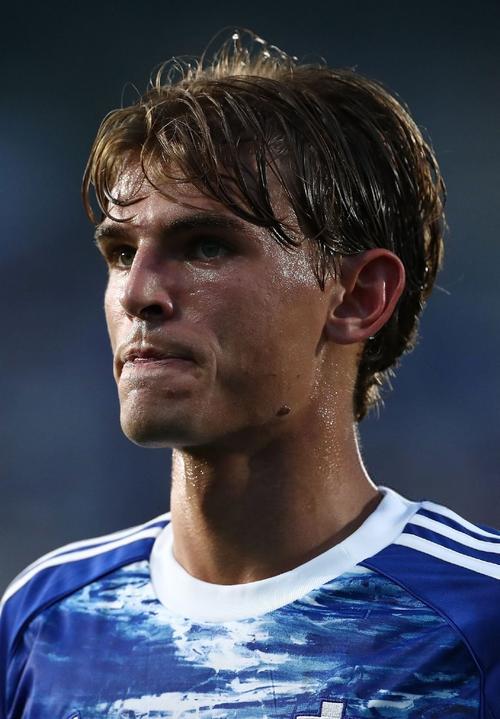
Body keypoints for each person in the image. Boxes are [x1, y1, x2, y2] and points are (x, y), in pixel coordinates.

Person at [1, 29, 498, 719]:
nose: (138, 292)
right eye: (120, 252)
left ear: (358, 297)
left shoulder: (479, 620)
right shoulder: (41, 623)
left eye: (206, 246)